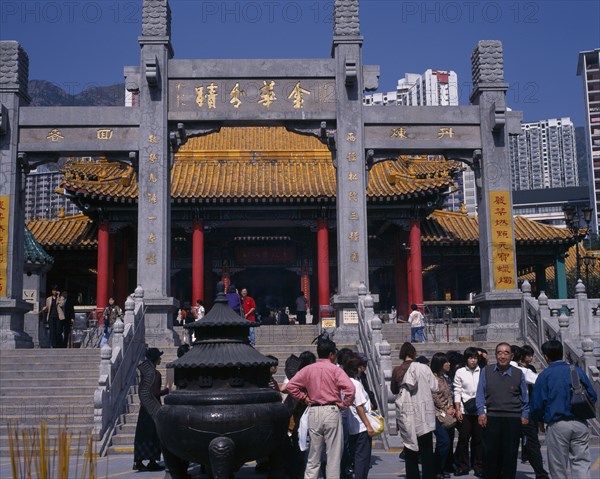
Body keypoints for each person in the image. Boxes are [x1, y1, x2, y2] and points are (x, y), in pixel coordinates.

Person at [286, 338, 355, 479]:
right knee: (333, 457)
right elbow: (350, 389)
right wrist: (344, 404)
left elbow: (290, 386)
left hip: (314, 410)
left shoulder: (308, 369)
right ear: (331, 354)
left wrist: (304, 397)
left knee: (313, 456)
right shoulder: (335, 370)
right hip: (331, 410)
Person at [530, 340, 597, 479]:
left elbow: (537, 404)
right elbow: (592, 395)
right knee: (581, 463)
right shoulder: (576, 370)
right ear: (562, 353)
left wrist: (539, 421)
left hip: (557, 424)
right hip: (580, 422)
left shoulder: (545, 375)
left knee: (558, 466)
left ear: (546, 356)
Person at [476, 342, 529, 479]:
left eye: (506, 353)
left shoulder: (518, 373)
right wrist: (481, 412)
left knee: (510, 455)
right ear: (495, 355)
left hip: (512, 418)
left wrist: (525, 414)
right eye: (499, 352)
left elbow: (524, 396)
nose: (503, 356)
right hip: (492, 417)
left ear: (511, 356)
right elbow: (480, 393)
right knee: (491, 454)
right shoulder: (486, 371)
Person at [391, 342, 438, 479]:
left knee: (409, 447)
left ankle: (412, 476)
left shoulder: (397, 370)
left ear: (401, 355)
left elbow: (394, 390)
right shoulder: (423, 368)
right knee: (427, 448)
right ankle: (429, 475)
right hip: (424, 412)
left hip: (406, 411)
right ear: (414, 354)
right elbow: (434, 387)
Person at [510, 345, 549, 479]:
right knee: (532, 444)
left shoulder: (491, 371)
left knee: (506, 445)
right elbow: (540, 381)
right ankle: (540, 473)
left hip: (504, 414)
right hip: (523, 413)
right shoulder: (522, 371)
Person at [133, 348, 169, 472]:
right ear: (155, 359)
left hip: (144, 409)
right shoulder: (156, 374)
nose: (160, 359)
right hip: (153, 410)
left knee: (142, 435)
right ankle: (152, 461)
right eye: (159, 357)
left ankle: (139, 461)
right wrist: (167, 390)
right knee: (153, 436)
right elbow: (155, 393)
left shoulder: (146, 373)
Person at [453, 347, 483, 477]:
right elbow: (457, 391)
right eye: (471, 358)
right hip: (465, 410)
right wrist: (458, 409)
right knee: (464, 439)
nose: (473, 360)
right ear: (466, 359)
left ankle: (478, 466)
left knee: (478, 439)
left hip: (480, 410)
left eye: (475, 358)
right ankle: (463, 466)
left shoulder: (482, 371)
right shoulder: (460, 372)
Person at [344, 354, 375, 479]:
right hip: (361, 426)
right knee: (362, 458)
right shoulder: (356, 384)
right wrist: (368, 425)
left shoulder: (344, 382)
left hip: (351, 425)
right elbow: (359, 406)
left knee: (356, 456)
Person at [430, 353, 456, 479]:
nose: (449, 364)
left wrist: (451, 407)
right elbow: (434, 397)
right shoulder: (433, 379)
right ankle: (436, 468)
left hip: (448, 414)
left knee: (448, 441)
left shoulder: (444, 378)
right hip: (436, 414)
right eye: (446, 362)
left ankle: (443, 467)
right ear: (440, 364)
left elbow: (449, 394)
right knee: (443, 441)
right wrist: (446, 408)